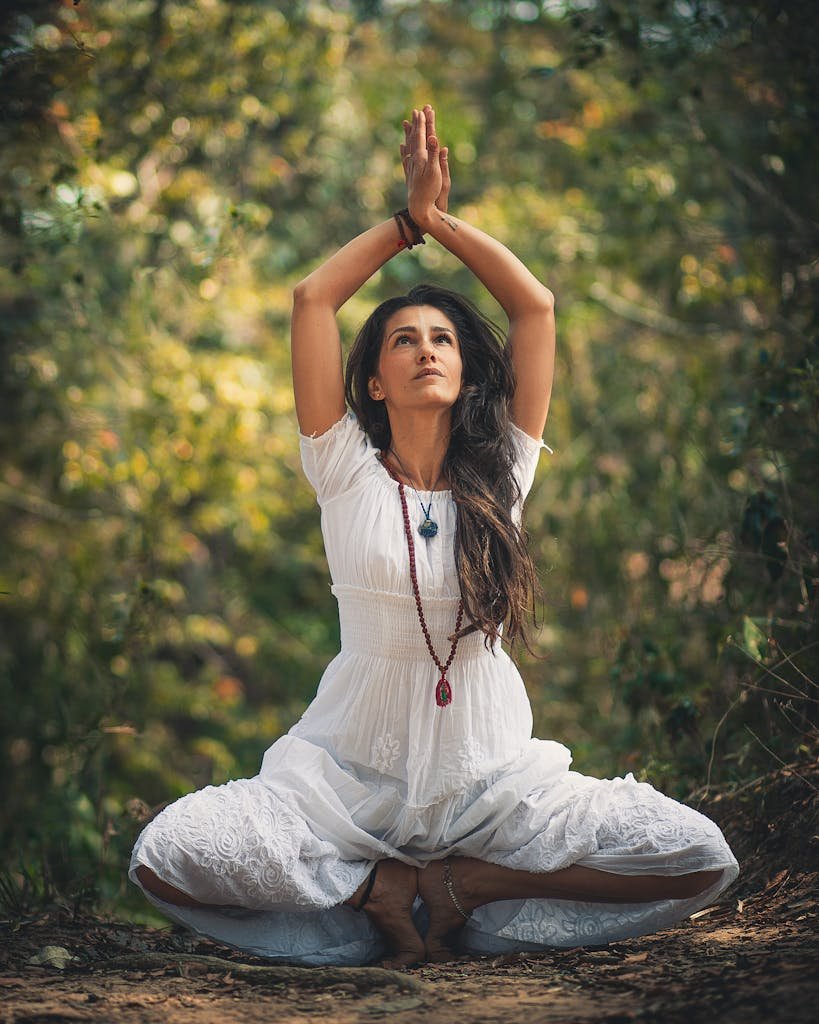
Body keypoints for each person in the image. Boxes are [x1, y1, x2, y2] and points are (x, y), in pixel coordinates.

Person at [130, 106, 738, 967]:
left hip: (489, 781)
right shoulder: (341, 466)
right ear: (372, 381)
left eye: (443, 339)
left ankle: (466, 887)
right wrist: (401, 225)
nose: (426, 350)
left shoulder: (504, 472)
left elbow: (534, 307)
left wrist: (442, 222)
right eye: (404, 341)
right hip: (345, 778)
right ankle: (372, 891)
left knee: (694, 857)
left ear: (464, 369)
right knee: (168, 857)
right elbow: (313, 297)